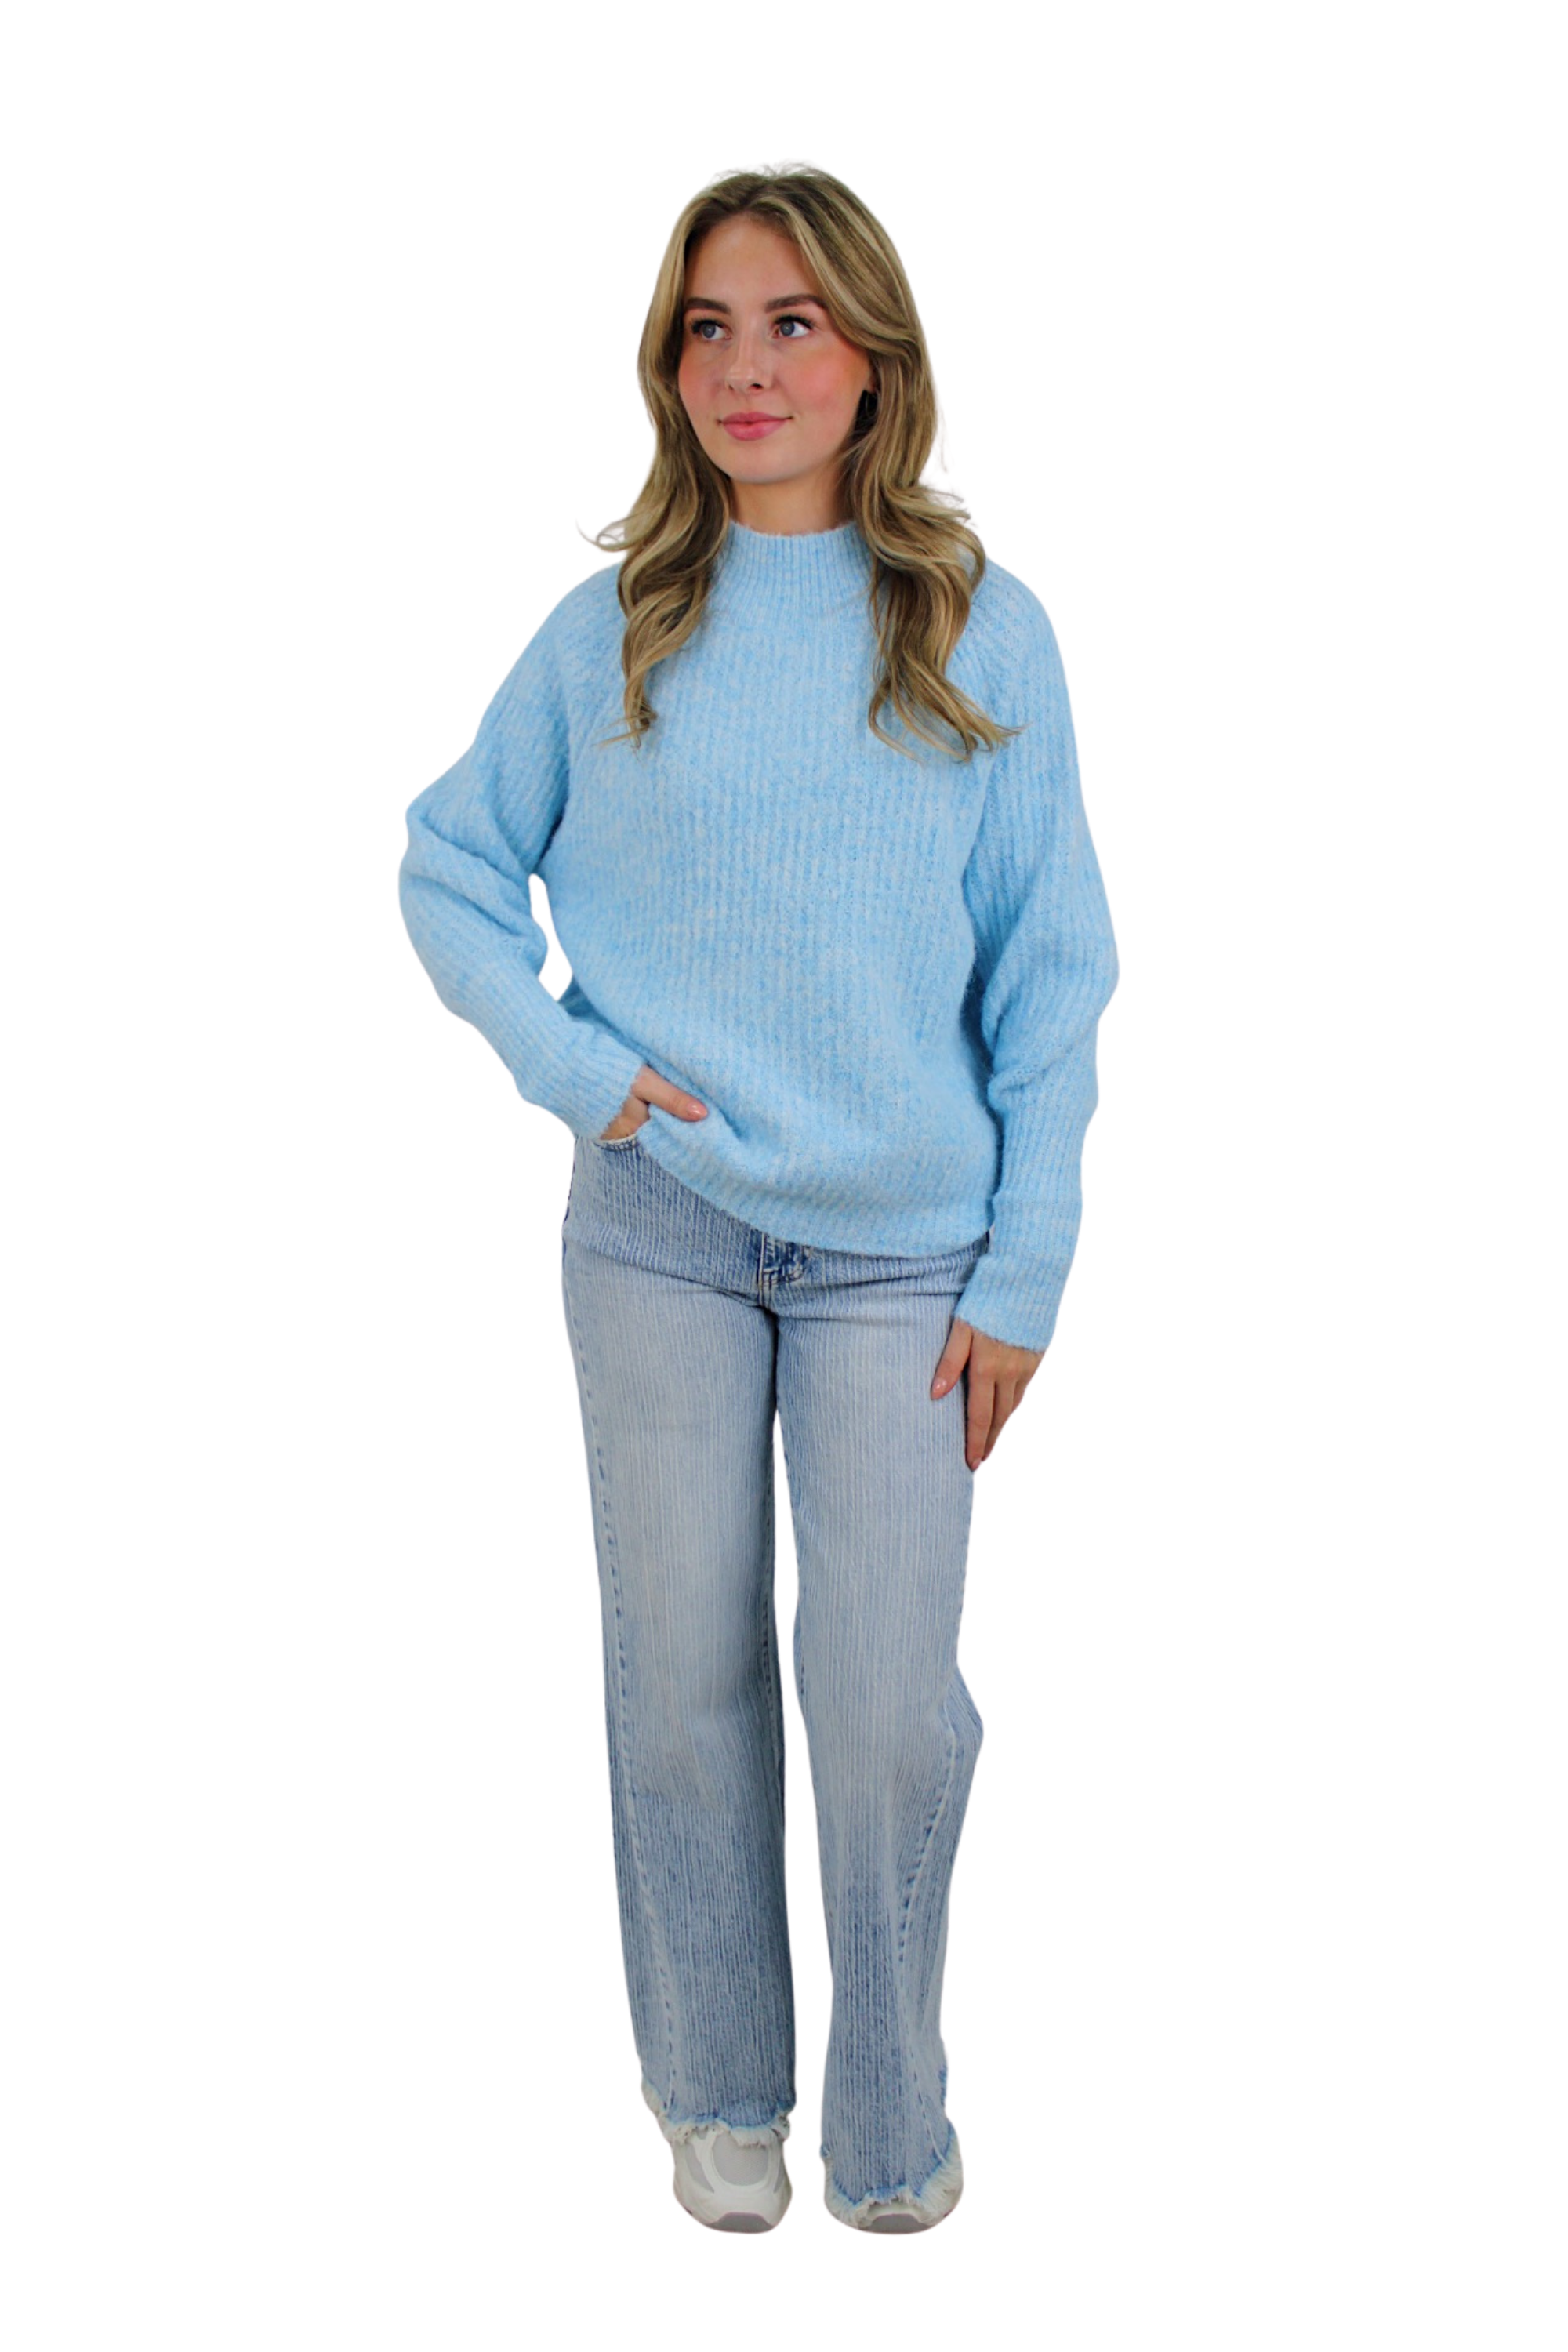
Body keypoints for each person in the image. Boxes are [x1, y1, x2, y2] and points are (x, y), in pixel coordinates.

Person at [397, 164, 1119, 2234]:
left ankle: (892, 2120)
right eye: (707, 327)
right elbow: (452, 865)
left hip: (907, 1253)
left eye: (792, 321)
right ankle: (717, 2081)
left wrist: (1028, 1268)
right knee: (684, 1676)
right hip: (662, 1238)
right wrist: (580, 1072)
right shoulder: (615, 630)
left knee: (885, 1700)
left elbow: (1053, 975)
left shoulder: (978, 629)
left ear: (873, 357)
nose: (747, 367)